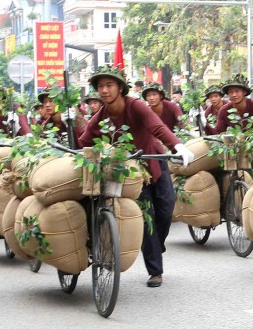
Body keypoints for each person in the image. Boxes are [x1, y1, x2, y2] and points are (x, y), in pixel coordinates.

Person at [77, 66, 195, 288]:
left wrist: (177, 145)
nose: (104, 90)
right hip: (130, 176)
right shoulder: (100, 117)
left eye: (109, 85)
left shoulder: (136, 106)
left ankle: (156, 246)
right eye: (100, 86)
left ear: (120, 88)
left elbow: (157, 127)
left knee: (166, 208)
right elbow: (84, 142)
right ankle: (155, 270)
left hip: (154, 162)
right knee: (147, 216)